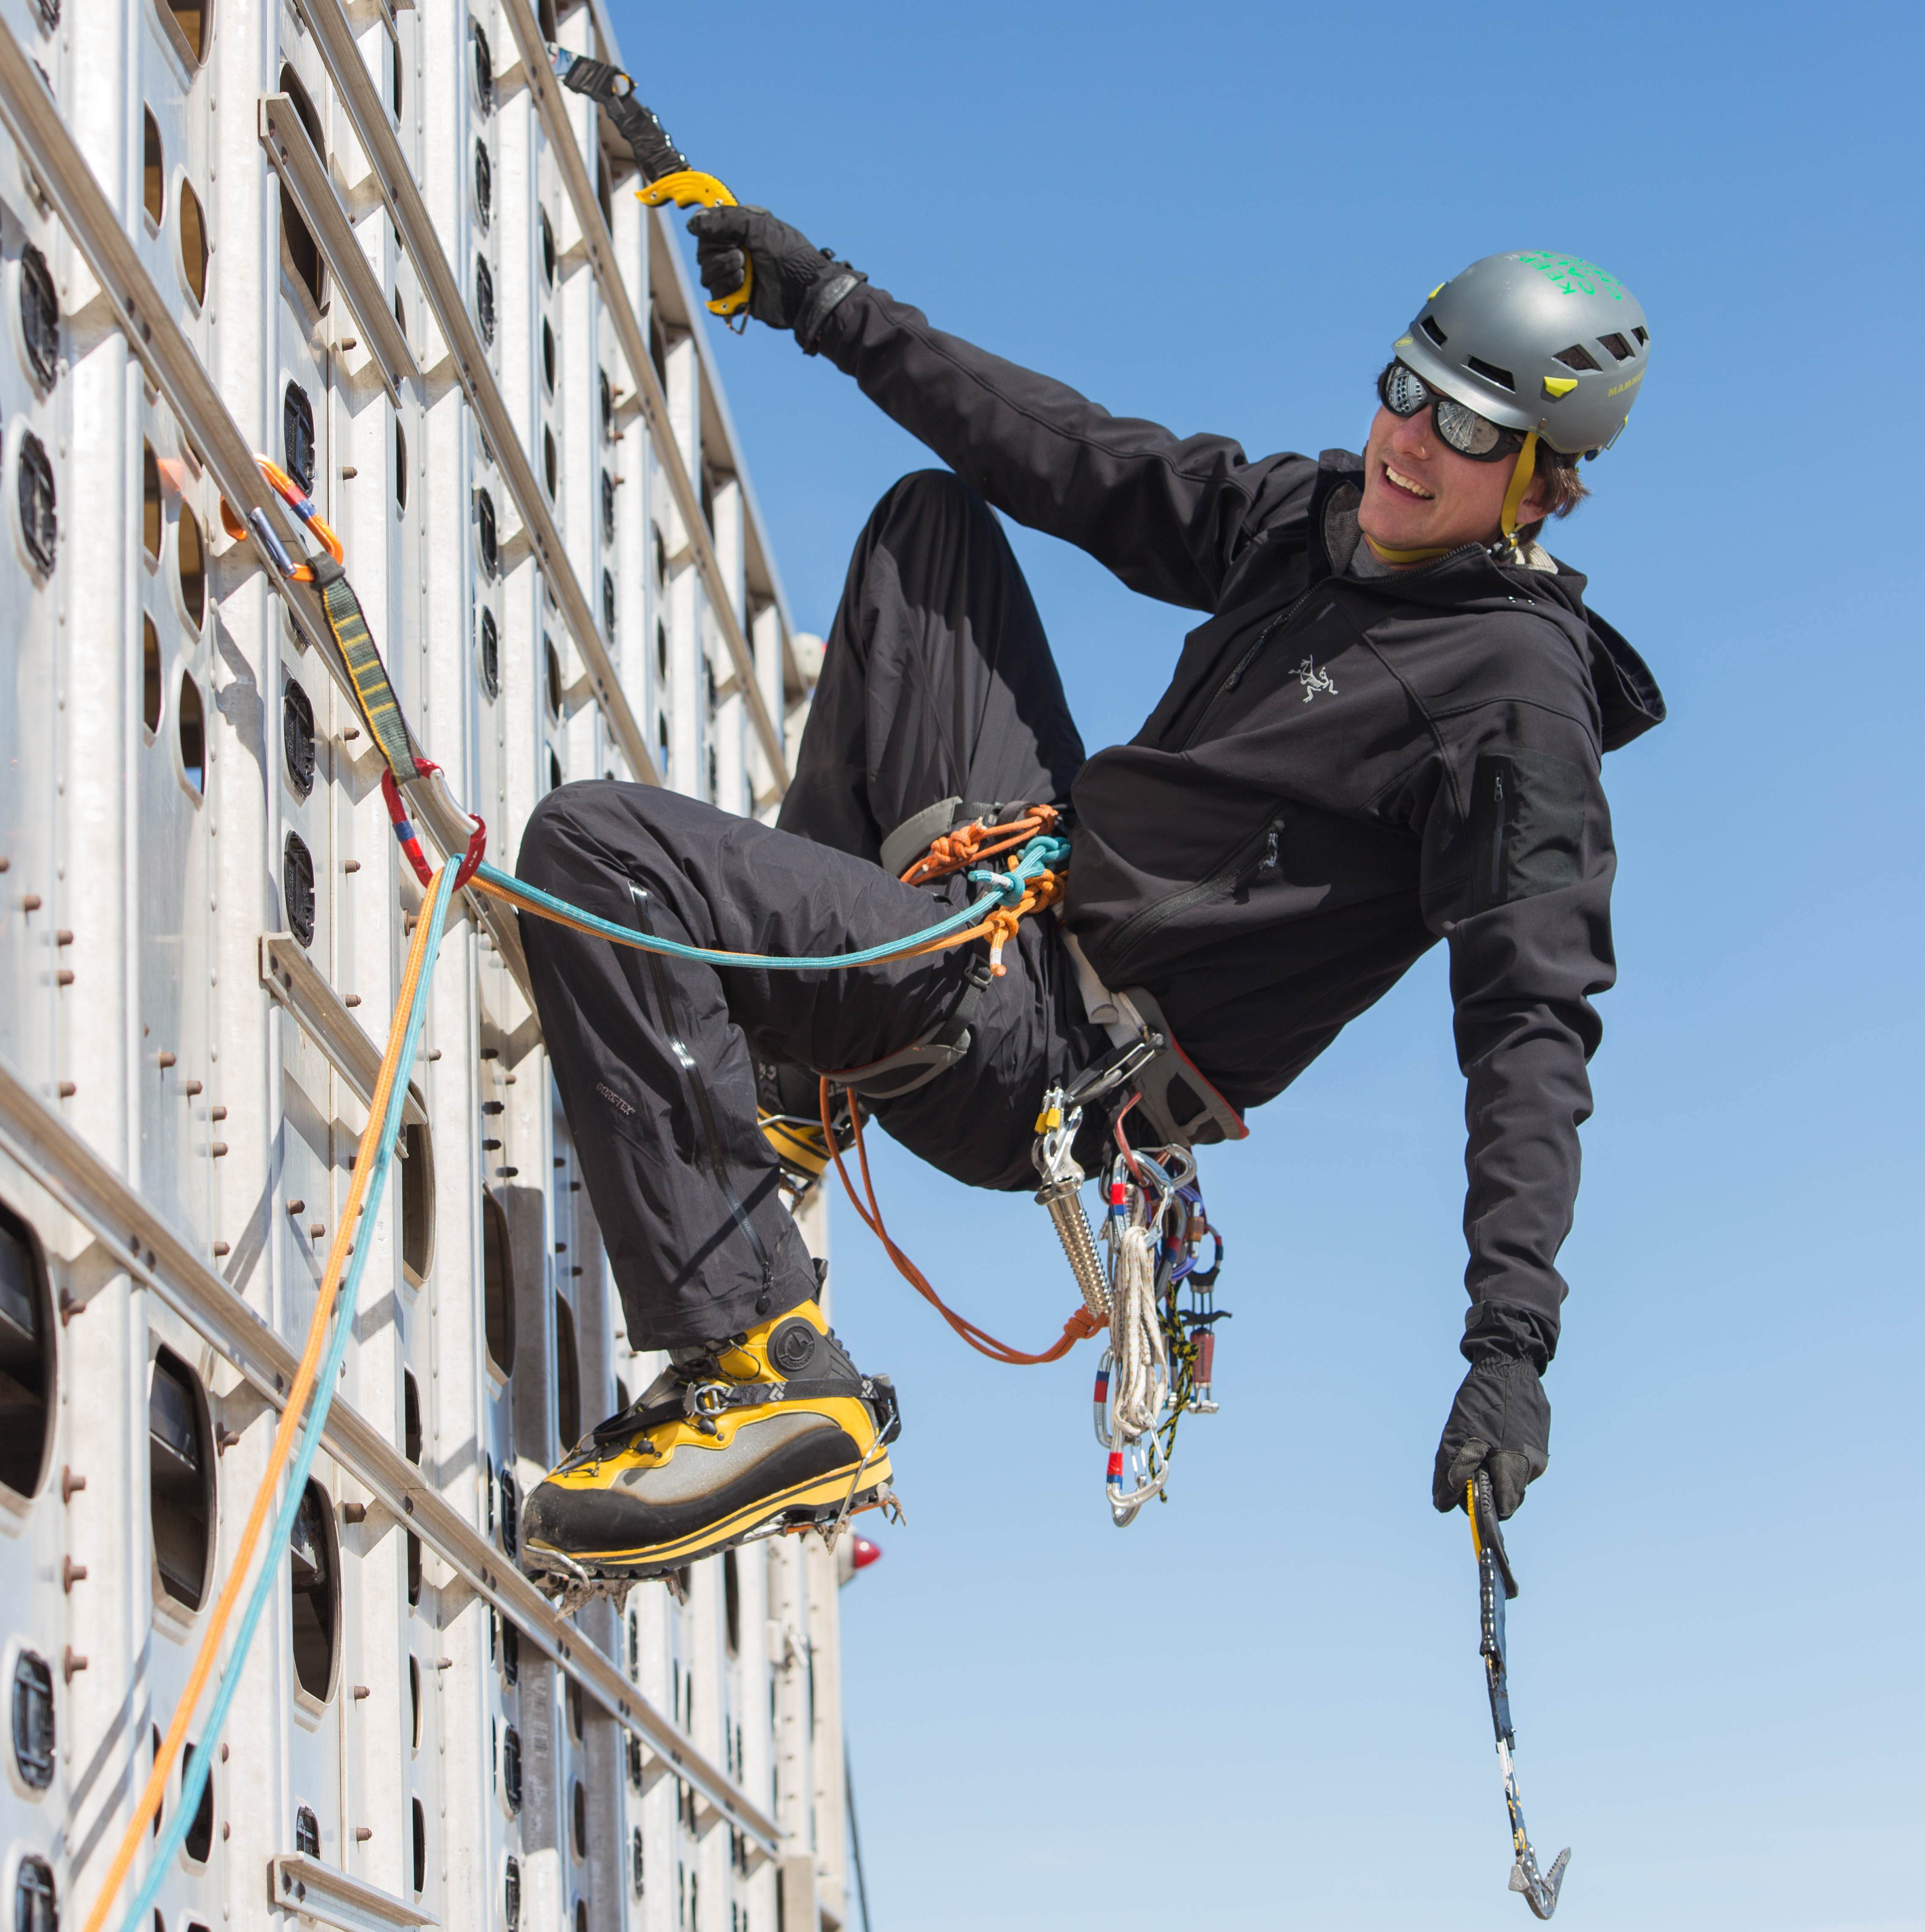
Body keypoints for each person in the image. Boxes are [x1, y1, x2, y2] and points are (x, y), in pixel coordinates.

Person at [515, 229, 1663, 1580]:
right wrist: (829, 306)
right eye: (1403, 388)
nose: (1408, 441)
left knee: (593, 850)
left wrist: (1509, 1346)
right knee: (929, 529)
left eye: (1468, 426)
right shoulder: (1320, 522)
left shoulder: (1514, 701)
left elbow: (1533, 1018)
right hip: (1039, 913)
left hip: (1059, 1060)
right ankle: (794, 1077)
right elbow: (1075, 456)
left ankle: (762, 1369)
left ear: (1542, 482)